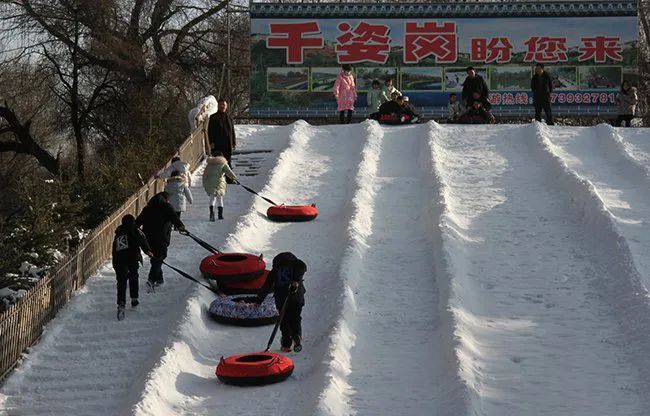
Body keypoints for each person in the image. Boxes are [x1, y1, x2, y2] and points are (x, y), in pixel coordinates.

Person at [254, 252, 307, 352]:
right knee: (295, 317)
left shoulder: (275, 271)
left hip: (283, 299)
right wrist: (297, 279)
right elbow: (302, 266)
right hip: (296, 298)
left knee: (284, 320)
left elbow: (267, 286)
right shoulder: (296, 265)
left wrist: (258, 301)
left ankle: (286, 344)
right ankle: (297, 336)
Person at [135, 192, 185, 290]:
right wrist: (181, 226)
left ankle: (159, 279)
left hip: (148, 238)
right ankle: (151, 280)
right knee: (159, 257)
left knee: (156, 257)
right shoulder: (167, 207)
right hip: (161, 237)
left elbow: (137, 222)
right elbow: (175, 218)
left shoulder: (147, 209)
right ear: (166, 199)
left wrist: (138, 232)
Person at [112, 214, 153, 320]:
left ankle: (121, 302)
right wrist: (148, 251)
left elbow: (116, 250)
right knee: (133, 278)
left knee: (121, 281)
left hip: (120, 260)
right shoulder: (136, 231)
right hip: (133, 259)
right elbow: (143, 241)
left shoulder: (119, 232)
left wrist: (115, 264)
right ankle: (134, 298)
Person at [202, 150, 238, 221]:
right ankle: (220, 215)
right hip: (219, 183)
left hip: (210, 183)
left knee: (212, 198)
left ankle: (211, 214)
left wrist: (205, 184)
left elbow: (204, 175)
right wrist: (234, 178)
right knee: (220, 198)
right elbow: (229, 172)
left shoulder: (209, 165)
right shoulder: (223, 164)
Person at [207, 98, 236, 179]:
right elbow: (210, 131)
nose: (223, 106)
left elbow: (232, 131)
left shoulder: (229, 117)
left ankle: (229, 178)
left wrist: (233, 142)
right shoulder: (213, 117)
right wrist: (211, 142)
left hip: (228, 144)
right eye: (221, 105)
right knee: (218, 162)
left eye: (224, 105)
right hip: (218, 144)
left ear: (226, 106)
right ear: (218, 106)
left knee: (228, 161)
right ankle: (218, 178)